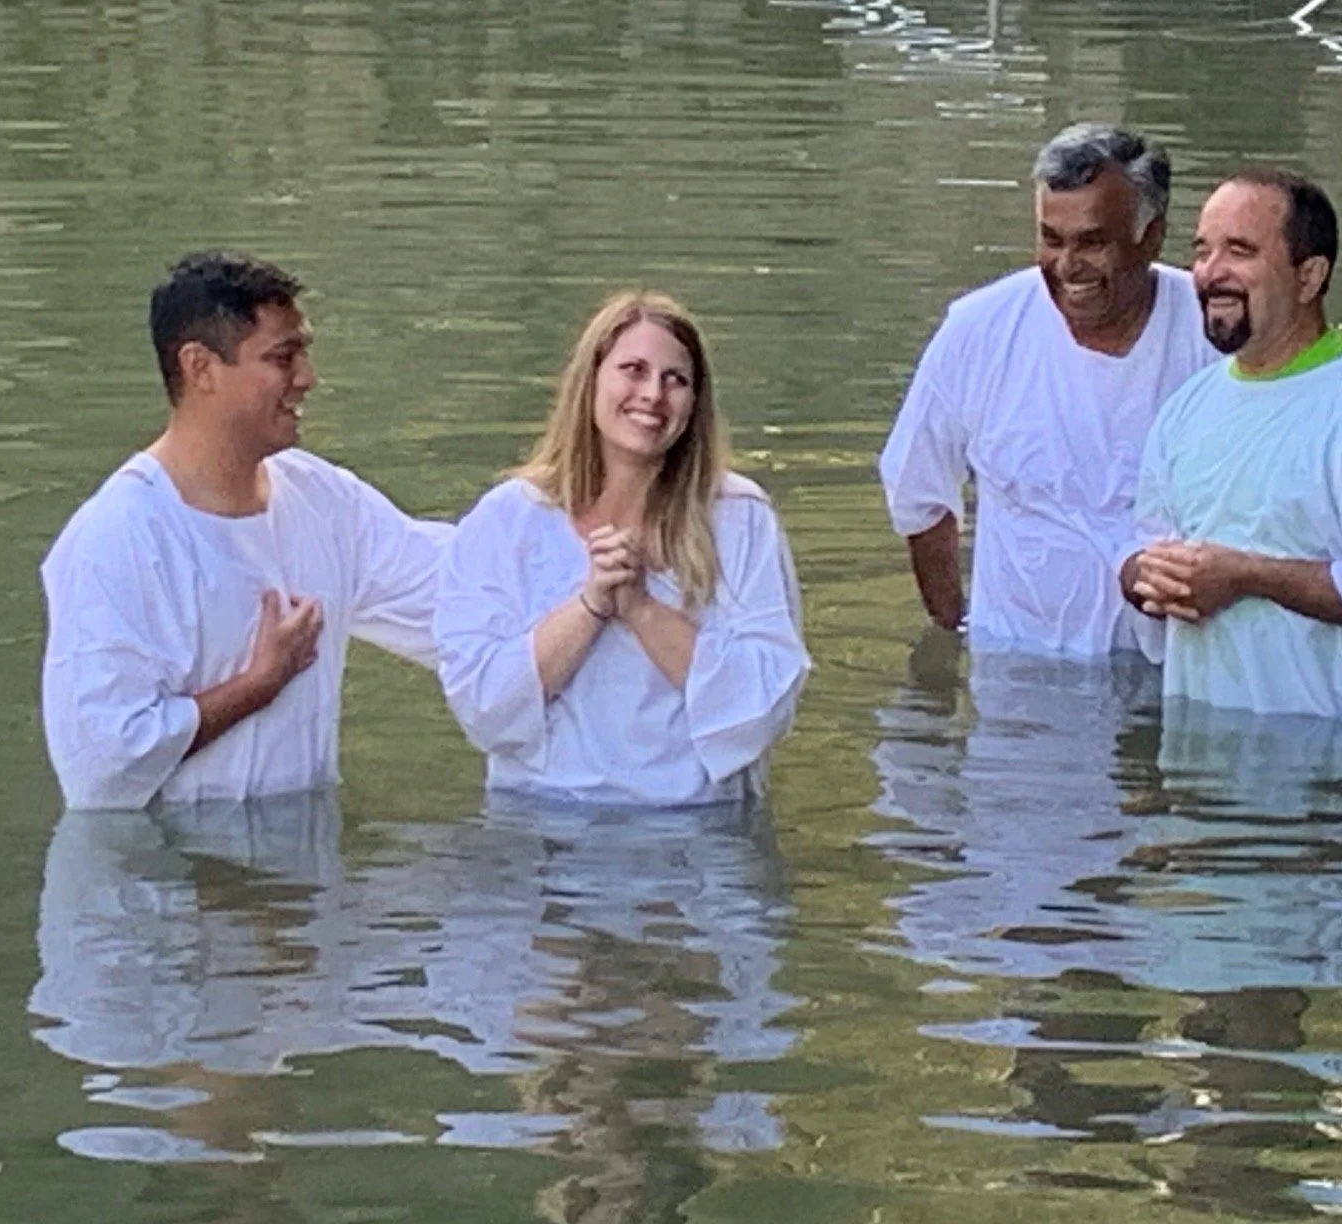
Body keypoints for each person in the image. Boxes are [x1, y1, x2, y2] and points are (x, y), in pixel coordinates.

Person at [39, 251, 450, 810]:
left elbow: (459, 594)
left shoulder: (323, 501)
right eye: (283, 357)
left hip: (301, 871)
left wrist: (591, 545)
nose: (308, 378)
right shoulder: (118, 538)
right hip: (170, 880)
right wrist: (258, 684)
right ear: (200, 368)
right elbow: (101, 767)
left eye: (303, 353)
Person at [434, 291, 809, 804]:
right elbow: (482, 705)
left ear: (696, 402)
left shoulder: (741, 518)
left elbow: (765, 707)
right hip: (544, 822)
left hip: (697, 834)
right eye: (633, 369)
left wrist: (640, 607)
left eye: (675, 379)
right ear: (591, 380)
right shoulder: (510, 518)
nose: (652, 394)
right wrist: (591, 604)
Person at [1122, 167, 1342, 720]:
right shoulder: (1186, 408)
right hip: (1198, 741)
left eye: (1240, 251)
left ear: (1309, 276)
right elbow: (1143, 549)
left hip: (1339, 758)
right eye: (1202, 251)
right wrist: (1144, 577)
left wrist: (1249, 576)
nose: (1210, 273)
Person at [878, 122, 1218, 657]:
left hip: (1177, 671)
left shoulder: (1211, 338)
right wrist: (953, 631)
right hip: (1017, 667)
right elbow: (918, 490)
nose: (1067, 266)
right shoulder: (981, 328)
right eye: (1051, 239)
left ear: (1150, 237)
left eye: (1092, 242)